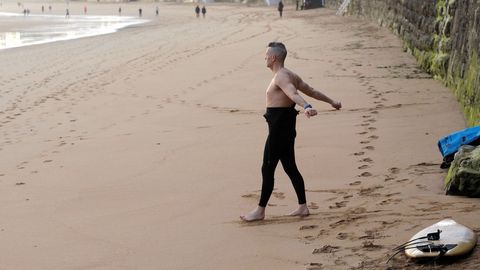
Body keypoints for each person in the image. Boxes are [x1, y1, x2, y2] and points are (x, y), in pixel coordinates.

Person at [240, 42, 342, 222]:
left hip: (279, 128)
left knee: (268, 167)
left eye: (266, 55)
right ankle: (303, 207)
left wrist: (307, 106)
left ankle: (260, 211)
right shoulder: (290, 74)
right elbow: (311, 90)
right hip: (285, 126)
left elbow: (293, 93)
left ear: (273, 58)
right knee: (289, 166)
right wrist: (331, 101)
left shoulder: (281, 77)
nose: (264, 58)